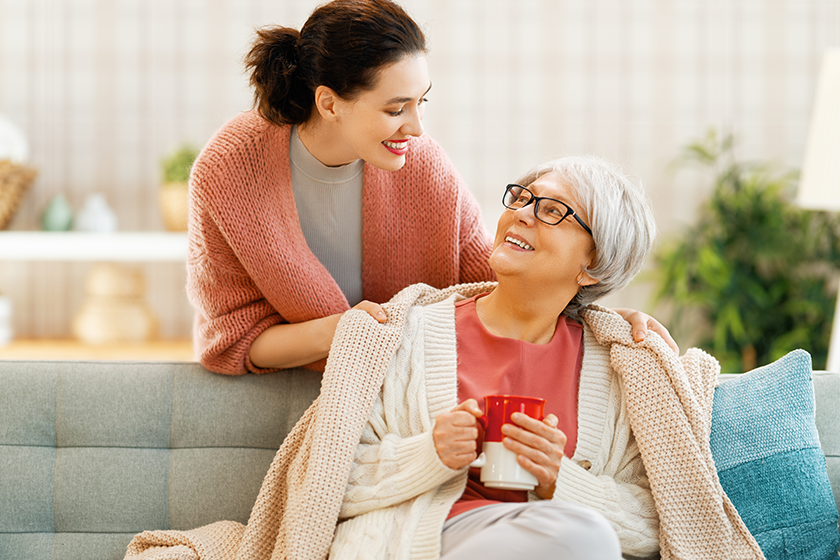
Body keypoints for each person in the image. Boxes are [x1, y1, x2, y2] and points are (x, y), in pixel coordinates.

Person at [125, 156, 762, 559]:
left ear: (594, 264)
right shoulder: (406, 335)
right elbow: (326, 484)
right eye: (521, 196)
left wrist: (560, 481)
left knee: (579, 534)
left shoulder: (620, 370)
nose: (521, 214)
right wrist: (430, 452)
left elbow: (664, 527)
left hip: (545, 548)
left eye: (554, 211)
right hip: (410, 544)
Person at [185, 0, 676, 376]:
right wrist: (340, 333)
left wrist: (601, 321)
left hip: (410, 395)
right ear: (329, 103)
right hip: (291, 395)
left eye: (422, 103)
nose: (416, 128)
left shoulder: (424, 167)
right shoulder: (230, 168)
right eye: (396, 109)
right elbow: (232, 338)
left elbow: (495, 280)